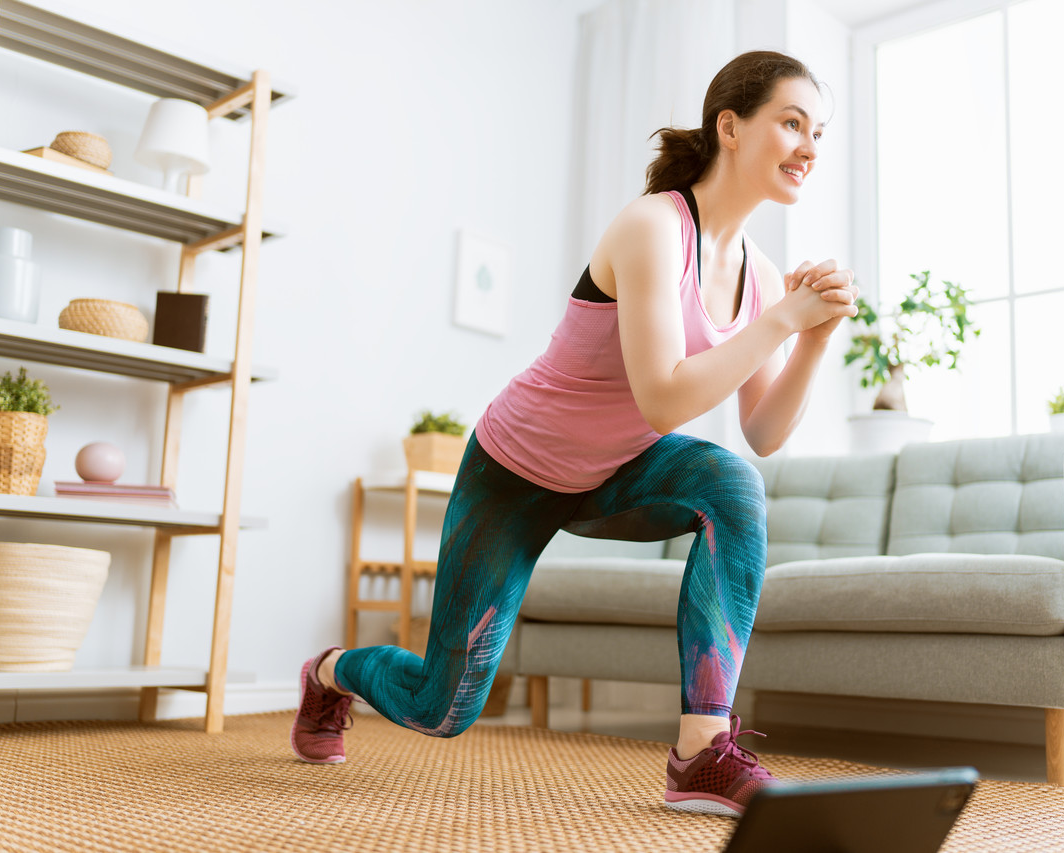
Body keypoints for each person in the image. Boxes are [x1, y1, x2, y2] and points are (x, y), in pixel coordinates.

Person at [291, 49, 858, 817]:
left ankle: (699, 753)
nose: (810, 147)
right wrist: (787, 319)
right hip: (515, 471)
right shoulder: (654, 226)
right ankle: (330, 672)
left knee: (735, 484)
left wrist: (813, 338)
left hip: (615, 473)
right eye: (792, 123)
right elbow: (663, 397)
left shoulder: (758, 270)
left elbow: (762, 430)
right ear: (730, 126)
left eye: (818, 130)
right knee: (443, 705)